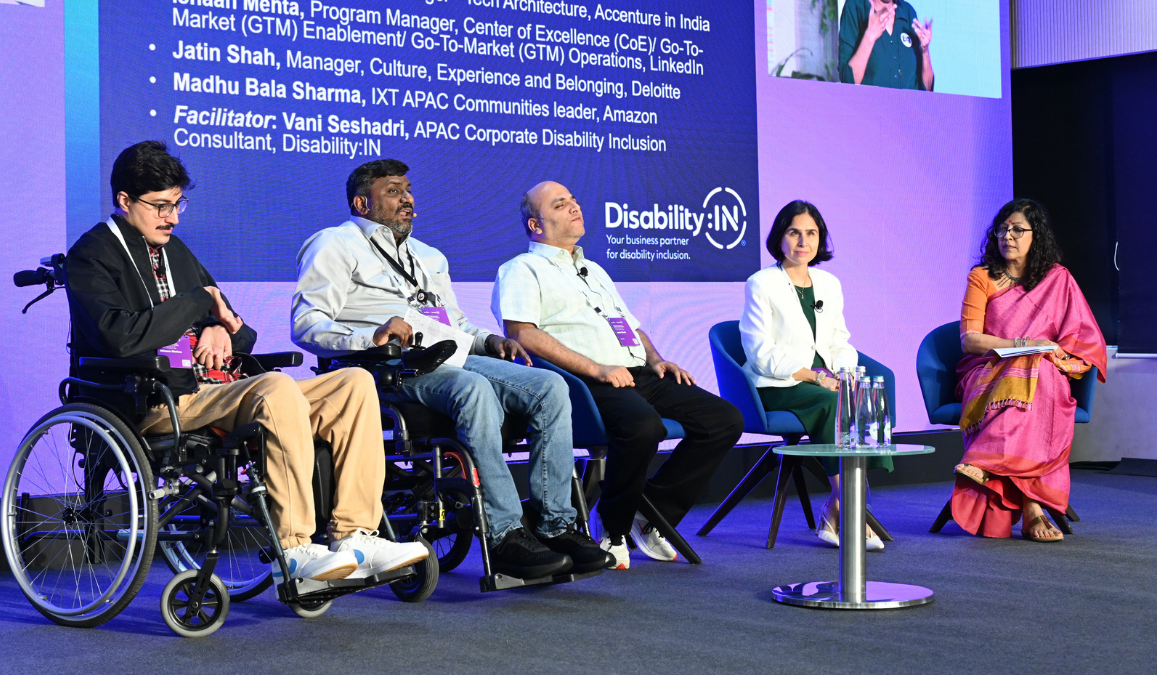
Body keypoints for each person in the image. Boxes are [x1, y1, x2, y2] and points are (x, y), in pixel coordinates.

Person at [64, 141, 428, 584]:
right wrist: (201, 304)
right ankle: (294, 546)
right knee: (274, 387)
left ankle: (356, 533)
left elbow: (243, 334)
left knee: (352, 384)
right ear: (124, 200)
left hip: (214, 390)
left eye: (178, 205)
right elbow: (118, 336)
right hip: (152, 397)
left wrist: (220, 326)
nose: (172, 218)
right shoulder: (93, 253)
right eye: (161, 206)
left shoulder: (176, 252)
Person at [292, 160, 611, 579]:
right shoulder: (334, 244)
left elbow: (454, 325)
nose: (406, 198)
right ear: (361, 202)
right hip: (388, 368)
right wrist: (373, 335)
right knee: (473, 388)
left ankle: (556, 524)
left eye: (407, 189)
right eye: (392, 191)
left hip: (450, 356)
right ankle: (505, 534)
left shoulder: (428, 257)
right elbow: (307, 325)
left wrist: (489, 340)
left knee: (550, 386)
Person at [493, 181, 744, 570]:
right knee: (643, 427)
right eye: (560, 205)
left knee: (724, 419)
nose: (574, 207)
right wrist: (596, 368)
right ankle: (614, 526)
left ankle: (652, 513)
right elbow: (522, 333)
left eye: (574, 200)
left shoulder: (593, 270)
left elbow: (628, 325)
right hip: (581, 383)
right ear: (535, 225)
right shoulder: (521, 270)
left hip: (633, 372)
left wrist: (657, 359)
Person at [951, 199, 1106, 542]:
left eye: (1018, 229)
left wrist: (1048, 352)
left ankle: (984, 461)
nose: (1008, 235)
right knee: (1030, 375)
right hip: (988, 369)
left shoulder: (1057, 279)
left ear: (1036, 236)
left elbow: (1083, 335)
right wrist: (1022, 346)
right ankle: (1033, 510)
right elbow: (970, 340)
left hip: (1041, 371)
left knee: (1044, 377)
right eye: (1003, 229)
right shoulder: (983, 277)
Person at [739, 200, 888, 551]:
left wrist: (845, 375)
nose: (803, 241)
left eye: (811, 233)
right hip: (779, 384)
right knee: (833, 402)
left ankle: (836, 507)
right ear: (780, 237)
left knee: (861, 396)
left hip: (827, 383)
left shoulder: (829, 283)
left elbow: (839, 341)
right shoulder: (761, 283)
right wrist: (815, 377)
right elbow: (760, 352)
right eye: (794, 232)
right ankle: (852, 508)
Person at [839, 0, 934, 91]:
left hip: (908, 106)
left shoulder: (908, 12)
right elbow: (848, 83)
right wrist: (869, 37)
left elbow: (926, 90)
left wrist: (925, 52)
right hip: (870, 105)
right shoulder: (855, 7)